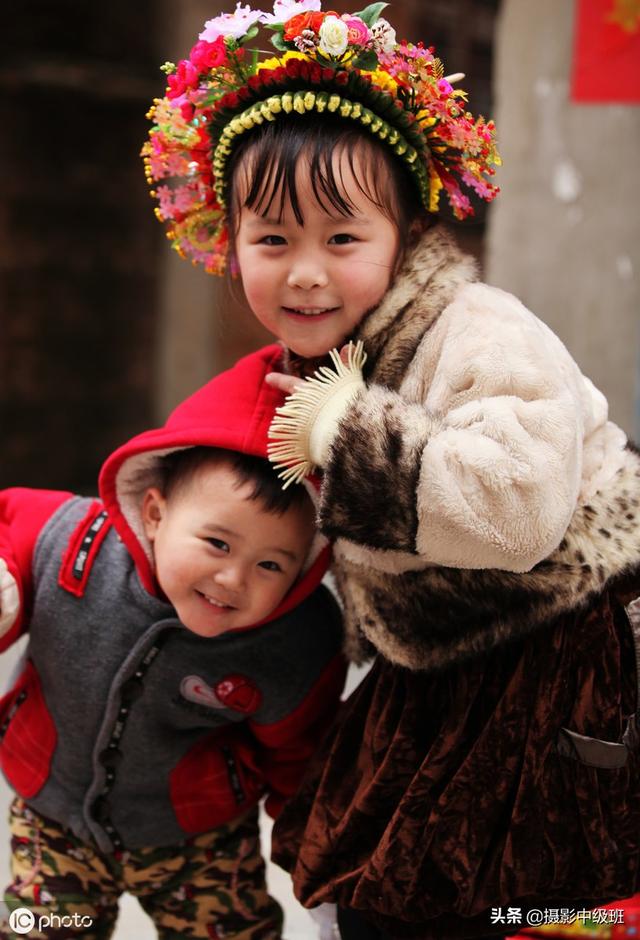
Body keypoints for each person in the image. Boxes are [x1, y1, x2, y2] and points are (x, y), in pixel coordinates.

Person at [143, 3, 640, 938]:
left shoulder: (480, 328)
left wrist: (354, 437)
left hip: (557, 647)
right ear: (231, 241)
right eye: (272, 240)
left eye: (342, 239)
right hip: (437, 659)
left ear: (404, 231)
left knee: (512, 898)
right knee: (369, 886)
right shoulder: (328, 361)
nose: (303, 274)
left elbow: (522, 505)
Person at [0, 347, 345, 940]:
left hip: (202, 837)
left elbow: (301, 753)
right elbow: (15, 533)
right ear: (155, 513)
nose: (232, 580)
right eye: (216, 543)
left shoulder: (292, 642)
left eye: (270, 564)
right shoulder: (73, 548)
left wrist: (307, 845)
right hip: (53, 815)